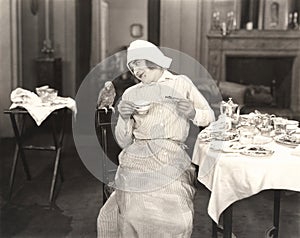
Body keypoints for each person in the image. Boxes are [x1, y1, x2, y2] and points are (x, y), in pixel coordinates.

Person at [97, 40, 215, 237]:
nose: (134, 70)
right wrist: (125, 117)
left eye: (137, 63)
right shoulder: (131, 93)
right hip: (137, 156)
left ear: (152, 59)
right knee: (134, 211)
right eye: (130, 66)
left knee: (175, 217)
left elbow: (209, 116)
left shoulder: (181, 83)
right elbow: (123, 142)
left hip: (172, 154)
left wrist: (193, 112)